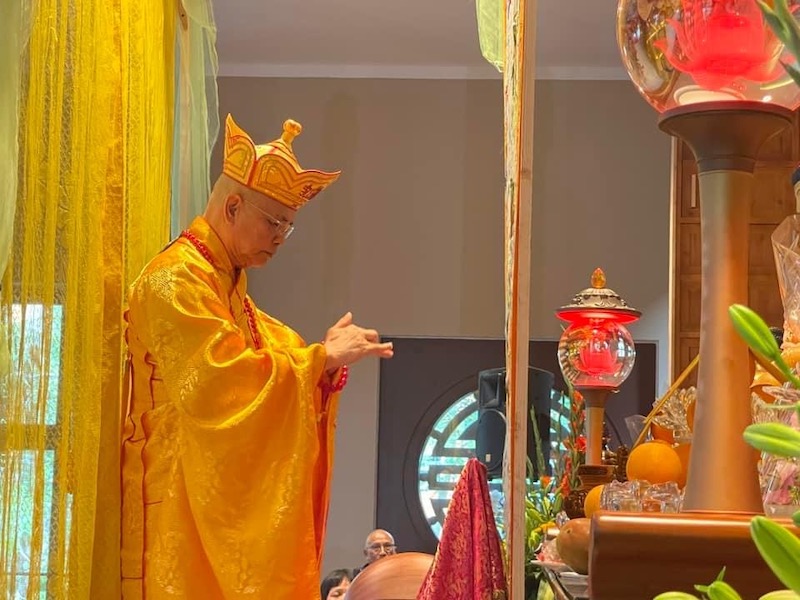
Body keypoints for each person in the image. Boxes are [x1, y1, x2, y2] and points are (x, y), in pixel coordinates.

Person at [120, 114, 394, 599]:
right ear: (232, 206)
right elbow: (218, 382)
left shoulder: (224, 285)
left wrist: (320, 360)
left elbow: (270, 346)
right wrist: (317, 360)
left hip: (197, 500)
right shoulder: (175, 280)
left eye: (288, 227)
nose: (280, 238)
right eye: (274, 222)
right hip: (175, 504)